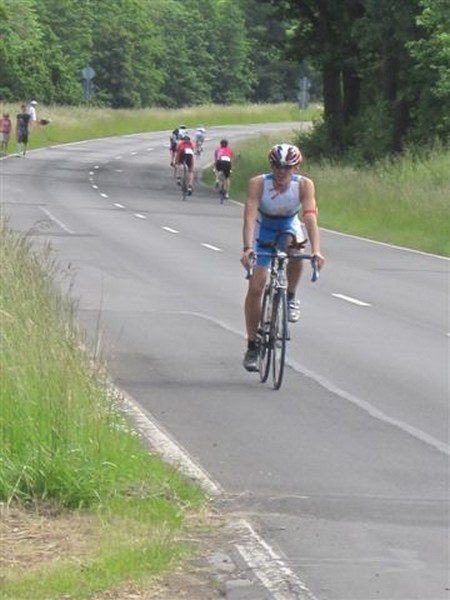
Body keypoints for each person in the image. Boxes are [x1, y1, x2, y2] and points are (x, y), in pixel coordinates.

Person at [240, 143, 325, 372]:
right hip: (263, 227)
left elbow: (309, 219)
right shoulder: (258, 183)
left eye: (288, 168)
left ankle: (290, 296)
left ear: (296, 168)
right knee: (256, 286)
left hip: (288, 224)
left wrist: (316, 250)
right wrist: (248, 248)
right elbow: (249, 217)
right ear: (271, 166)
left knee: (296, 250)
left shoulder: (304, 185)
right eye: (277, 167)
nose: (281, 172)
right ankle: (252, 345)